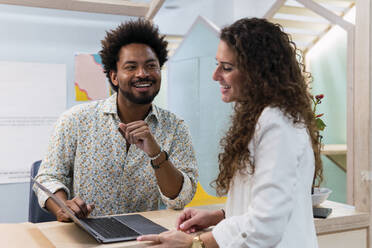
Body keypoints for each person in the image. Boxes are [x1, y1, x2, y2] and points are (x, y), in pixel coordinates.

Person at [137, 18, 323, 248]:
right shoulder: (261, 118)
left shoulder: (277, 125)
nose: (215, 75)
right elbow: (266, 203)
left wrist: (195, 243)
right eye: (218, 64)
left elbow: (265, 225)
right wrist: (220, 215)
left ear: (258, 72)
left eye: (227, 67)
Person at [34, 19, 198, 222]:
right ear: (114, 77)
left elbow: (180, 198)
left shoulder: (175, 127)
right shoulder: (75, 120)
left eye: (151, 66)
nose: (142, 74)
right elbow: (48, 177)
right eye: (131, 67)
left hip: (144, 238)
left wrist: (156, 153)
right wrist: (62, 206)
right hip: (87, 235)